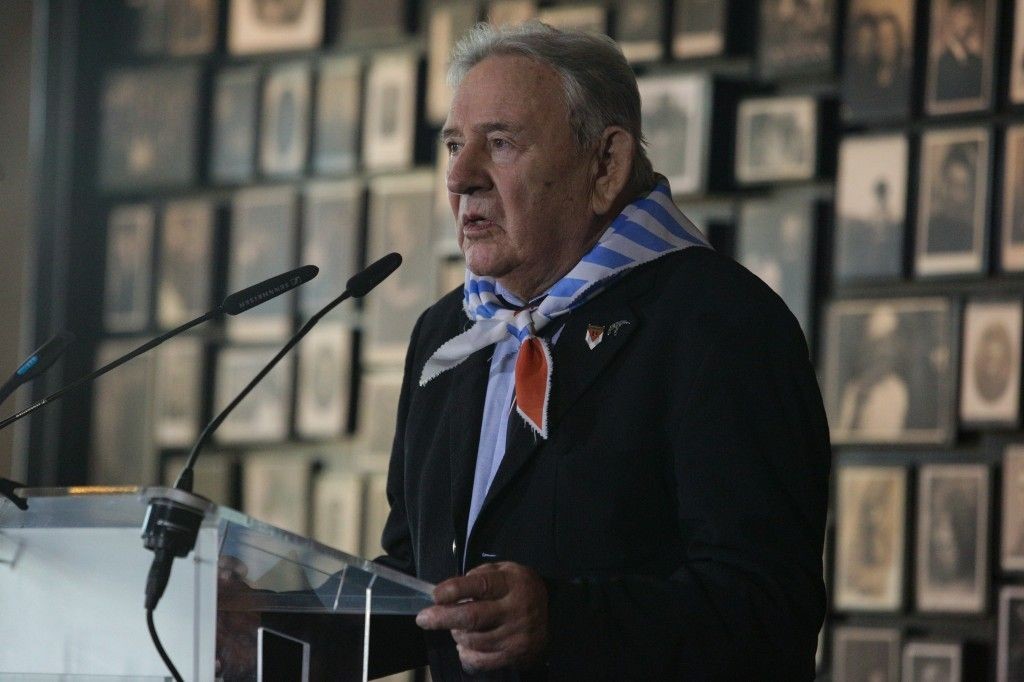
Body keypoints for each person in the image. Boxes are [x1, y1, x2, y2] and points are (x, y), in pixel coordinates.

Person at [378, 22, 830, 680]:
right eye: (453, 144)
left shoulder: (719, 324)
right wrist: (277, 617)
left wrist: (564, 621)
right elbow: (417, 583)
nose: (460, 177)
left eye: (499, 143)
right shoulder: (447, 334)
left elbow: (768, 614)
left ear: (605, 165)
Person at [934, 0, 984, 103]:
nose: (967, 22)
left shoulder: (977, 62)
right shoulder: (939, 62)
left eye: (970, 16)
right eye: (962, 15)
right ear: (951, 16)